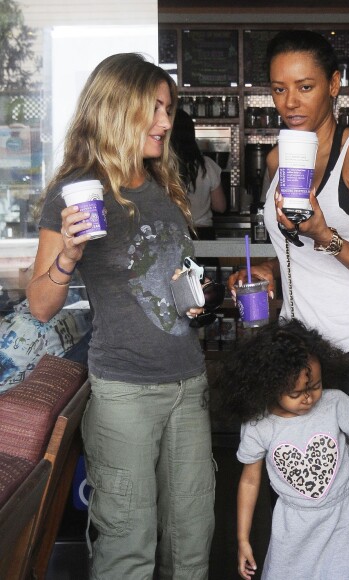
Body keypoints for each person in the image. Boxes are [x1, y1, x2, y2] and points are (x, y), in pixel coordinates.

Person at [26, 53, 215, 579]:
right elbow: (41, 305)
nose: (163, 121)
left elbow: (170, 282)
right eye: (151, 108)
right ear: (114, 110)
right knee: (128, 547)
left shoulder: (163, 188)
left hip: (189, 384)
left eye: (168, 108)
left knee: (193, 545)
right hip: (125, 393)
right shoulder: (78, 191)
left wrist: (197, 299)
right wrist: (67, 254)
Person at [228, 30, 349, 578]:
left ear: (335, 85)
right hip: (303, 354)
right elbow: (289, 253)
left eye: (305, 87)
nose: (291, 103)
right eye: (278, 89)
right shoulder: (281, 156)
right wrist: (265, 274)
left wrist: (327, 235)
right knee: (308, 489)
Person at [215, 319, 349, 580]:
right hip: (293, 529)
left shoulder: (335, 403)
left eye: (315, 386)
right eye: (296, 392)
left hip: (343, 521)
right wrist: (242, 539)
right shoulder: (259, 426)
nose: (309, 397)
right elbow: (249, 481)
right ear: (269, 386)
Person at [170, 107, 226, 232]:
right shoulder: (207, 165)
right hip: (203, 232)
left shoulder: (160, 167)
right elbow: (220, 206)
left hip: (173, 233)